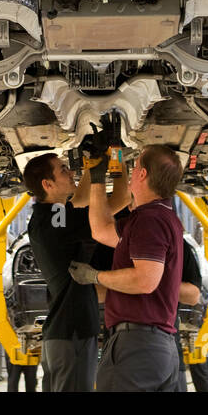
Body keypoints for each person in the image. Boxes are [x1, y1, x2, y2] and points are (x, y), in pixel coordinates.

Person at [70, 143, 184, 392]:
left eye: (134, 167)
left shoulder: (150, 220)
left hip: (138, 347)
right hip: (152, 346)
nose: (131, 172)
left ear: (142, 174)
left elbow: (145, 280)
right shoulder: (155, 218)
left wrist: (96, 276)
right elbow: (101, 230)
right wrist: (97, 179)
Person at [21, 146, 127, 391]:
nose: (71, 173)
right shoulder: (55, 223)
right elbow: (121, 200)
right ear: (48, 184)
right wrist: (117, 159)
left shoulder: (50, 213)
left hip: (64, 333)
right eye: (64, 170)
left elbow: (78, 202)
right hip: (72, 334)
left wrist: (93, 165)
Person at [177, 241, 208, 392]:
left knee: (198, 363)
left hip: (192, 328)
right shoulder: (189, 251)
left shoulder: (186, 249)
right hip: (189, 325)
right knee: (196, 365)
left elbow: (197, 293)